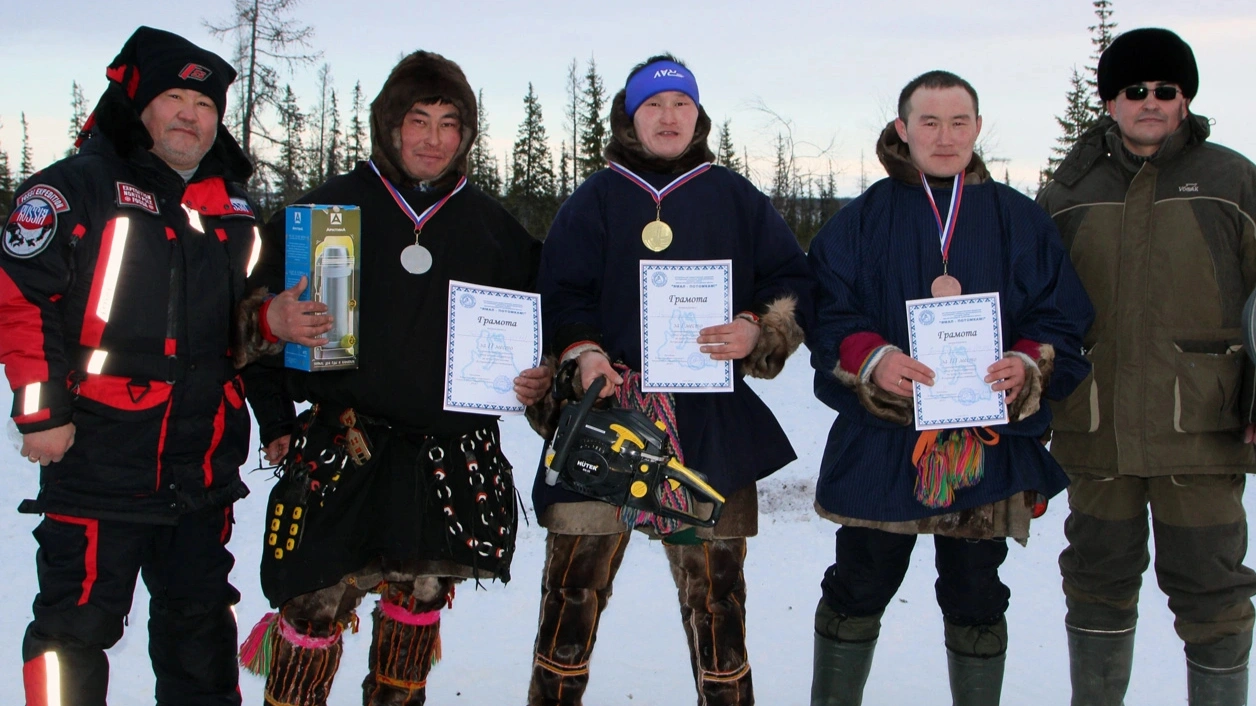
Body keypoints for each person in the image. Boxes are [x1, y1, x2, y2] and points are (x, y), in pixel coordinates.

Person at [237, 50, 549, 706]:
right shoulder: (324, 216)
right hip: (342, 451)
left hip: (446, 460)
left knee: (416, 608)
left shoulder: (498, 232)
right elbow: (249, 329)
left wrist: (538, 378)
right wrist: (272, 418)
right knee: (311, 612)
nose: (433, 139)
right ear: (388, 126)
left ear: (465, 134)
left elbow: (546, 332)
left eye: (449, 123)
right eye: (418, 120)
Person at [527, 54, 812, 706]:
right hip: (604, 422)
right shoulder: (594, 199)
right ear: (630, 118)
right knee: (572, 596)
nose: (668, 116)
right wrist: (583, 352)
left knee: (718, 605)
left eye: (680, 104)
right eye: (653, 105)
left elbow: (791, 279)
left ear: (698, 116)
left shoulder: (733, 195)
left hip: (706, 425)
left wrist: (753, 328)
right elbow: (561, 291)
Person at [806, 70, 1094, 705]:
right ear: (903, 130)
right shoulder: (861, 221)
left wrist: (1028, 362)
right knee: (859, 581)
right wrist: (872, 358)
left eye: (958, 122)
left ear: (979, 129)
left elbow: (1061, 315)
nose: (944, 136)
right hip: (884, 442)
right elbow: (825, 311)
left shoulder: (1019, 219)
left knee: (975, 592)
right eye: (929, 123)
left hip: (983, 444)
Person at [0, 26, 268, 706]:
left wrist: (275, 339)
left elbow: (246, 322)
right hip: (100, 461)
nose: (190, 114)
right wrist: (41, 410)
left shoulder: (232, 210)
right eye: (175, 97)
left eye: (205, 105)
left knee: (200, 631)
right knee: (75, 628)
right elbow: (19, 298)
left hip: (202, 469)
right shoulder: (75, 188)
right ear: (139, 105)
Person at [1038, 28, 1256, 706]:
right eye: (1136, 91)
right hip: (1096, 426)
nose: (1152, 102)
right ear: (1111, 101)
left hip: (1201, 427)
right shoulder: (1069, 191)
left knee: (1212, 588)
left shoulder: (1232, 178)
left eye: (1167, 90)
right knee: (1097, 579)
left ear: (1185, 99)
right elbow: (1037, 304)